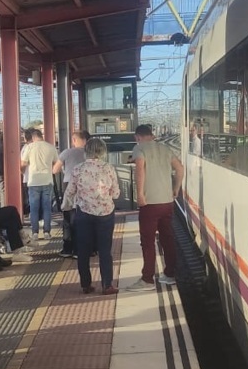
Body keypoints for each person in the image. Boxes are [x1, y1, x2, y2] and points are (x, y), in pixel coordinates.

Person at [129, 123, 183, 290]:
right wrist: (176, 188)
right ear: (151, 134)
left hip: (150, 203)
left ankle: (147, 279)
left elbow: (140, 170)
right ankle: (170, 274)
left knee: (148, 241)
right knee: (167, 238)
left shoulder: (139, 148)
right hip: (167, 202)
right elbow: (180, 168)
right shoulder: (165, 148)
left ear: (137, 137)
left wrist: (140, 194)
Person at [64, 137, 120, 294]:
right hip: (105, 213)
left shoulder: (78, 169)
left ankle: (86, 285)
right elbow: (116, 193)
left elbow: (70, 192)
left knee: (83, 250)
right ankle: (107, 285)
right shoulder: (108, 168)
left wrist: (67, 205)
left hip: (84, 213)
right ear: (103, 151)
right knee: (105, 250)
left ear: (86, 151)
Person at [53, 130, 88, 258]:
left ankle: (67, 249)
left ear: (74, 140)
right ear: (86, 140)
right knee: (84, 216)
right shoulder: (89, 153)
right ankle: (82, 249)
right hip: (85, 185)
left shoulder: (67, 153)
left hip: (68, 184)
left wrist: (65, 169)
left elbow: (55, 169)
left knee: (68, 216)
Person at [21, 128, 60, 240]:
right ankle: (47, 232)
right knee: (47, 207)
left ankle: (35, 233)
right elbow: (56, 163)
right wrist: (52, 171)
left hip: (33, 182)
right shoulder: (51, 147)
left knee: (34, 208)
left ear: (33, 137)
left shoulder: (29, 147)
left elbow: (23, 164)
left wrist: (23, 172)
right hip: (47, 180)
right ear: (41, 136)